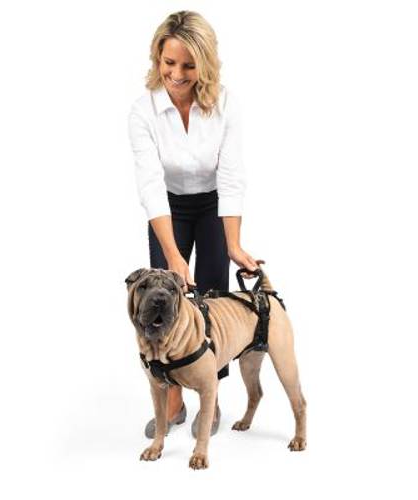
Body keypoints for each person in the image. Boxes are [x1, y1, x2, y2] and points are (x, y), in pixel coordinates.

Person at [127, 10, 261, 439]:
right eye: (169, 63)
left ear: (204, 63)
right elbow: (151, 187)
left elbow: (231, 177)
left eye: (188, 65)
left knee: (212, 297)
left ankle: (210, 395)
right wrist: (173, 256)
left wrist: (234, 244)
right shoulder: (143, 111)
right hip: (168, 207)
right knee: (165, 295)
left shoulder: (225, 104)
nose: (177, 74)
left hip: (213, 205)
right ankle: (172, 402)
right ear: (157, 59)